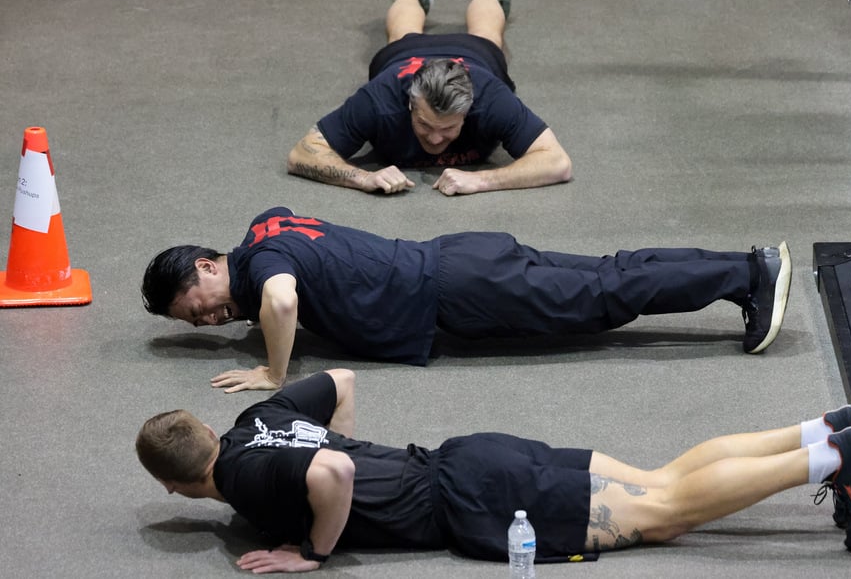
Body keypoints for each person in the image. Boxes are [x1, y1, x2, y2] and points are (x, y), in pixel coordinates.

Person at [135, 369, 851, 573]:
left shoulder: (242, 483)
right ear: (205, 430)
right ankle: (822, 428)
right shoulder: (251, 423)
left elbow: (329, 474)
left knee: (669, 512)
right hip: (466, 456)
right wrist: (364, 463)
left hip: (480, 501)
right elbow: (340, 381)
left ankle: (836, 457)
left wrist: (315, 550)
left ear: (174, 485)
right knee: (660, 479)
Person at [141, 207, 792, 392]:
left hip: (461, 291)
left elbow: (281, 302)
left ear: (205, 265)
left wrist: (272, 371)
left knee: (604, 295)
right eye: (199, 323)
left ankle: (748, 275)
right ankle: (740, 271)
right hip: (460, 257)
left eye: (199, 305)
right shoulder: (264, 227)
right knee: (608, 272)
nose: (212, 318)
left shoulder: (261, 271)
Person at [286, 0, 573, 196]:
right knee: (401, 35)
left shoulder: (490, 100)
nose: (435, 139)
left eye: (448, 128)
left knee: (488, 35)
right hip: (403, 56)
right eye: (424, 125)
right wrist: (364, 178)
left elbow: (557, 162)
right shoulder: (380, 101)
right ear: (410, 103)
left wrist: (481, 180)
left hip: (474, 52)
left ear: (468, 111)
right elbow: (301, 152)